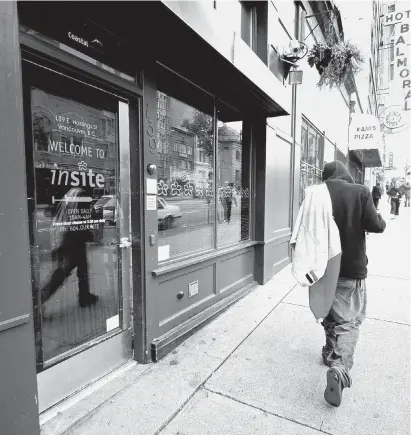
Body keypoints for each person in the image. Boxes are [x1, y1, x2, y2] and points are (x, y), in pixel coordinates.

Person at [321, 161, 386, 407]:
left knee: (328, 310)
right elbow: (375, 226)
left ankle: (329, 351)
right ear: (346, 174)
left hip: (322, 267)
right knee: (350, 320)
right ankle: (339, 367)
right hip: (350, 268)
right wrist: (378, 215)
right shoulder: (360, 191)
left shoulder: (317, 193)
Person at [41, 188, 99, 308]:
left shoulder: (67, 195)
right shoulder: (81, 195)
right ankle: (39, 300)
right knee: (63, 272)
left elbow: (49, 212)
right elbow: (86, 216)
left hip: (66, 237)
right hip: (73, 239)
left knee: (82, 269)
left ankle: (84, 296)